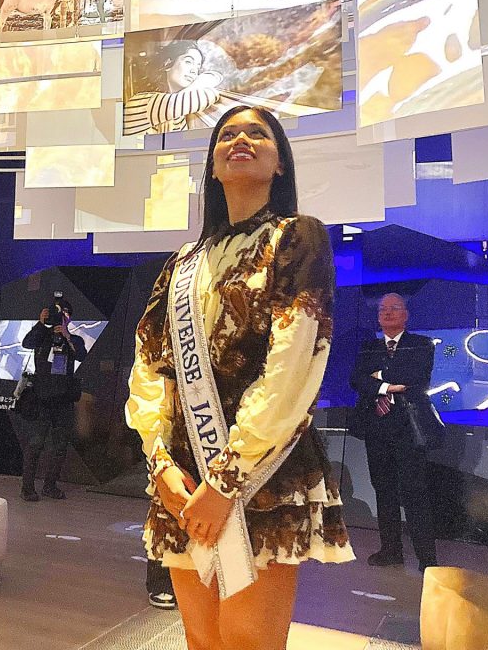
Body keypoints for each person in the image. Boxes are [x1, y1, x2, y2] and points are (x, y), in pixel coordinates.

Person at [127, 105, 353, 650]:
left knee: (248, 641)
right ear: (212, 165)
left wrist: (225, 481)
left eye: (258, 133)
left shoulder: (298, 238)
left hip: (260, 471)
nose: (241, 140)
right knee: (200, 639)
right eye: (227, 135)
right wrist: (160, 463)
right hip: (184, 476)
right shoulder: (182, 263)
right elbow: (150, 364)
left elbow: (292, 364)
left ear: (280, 163)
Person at [349, 293, 439, 572]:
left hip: (408, 430)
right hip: (376, 428)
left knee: (414, 493)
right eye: (383, 309)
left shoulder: (421, 344)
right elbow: (357, 380)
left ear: (405, 314)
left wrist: (377, 378)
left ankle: (427, 558)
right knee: (383, 491)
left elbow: (414, 379)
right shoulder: (369, 347)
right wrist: (387, 387)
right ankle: (391, 550)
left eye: (394, 308)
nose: (387, 313)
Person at [18, 298, 87, 501]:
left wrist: (66, 335)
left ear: (69, 318)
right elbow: (27, 343)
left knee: (60, 447)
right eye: (57, 313)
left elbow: (81, 355)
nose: (60, 317)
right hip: (42, 398)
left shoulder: (73, 339)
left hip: (64, 401)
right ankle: (27, 488)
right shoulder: (42, 336)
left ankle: (50, 486)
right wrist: (41, 324)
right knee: (35, 445)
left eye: (64, 314)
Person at [122, 40, 222, 141]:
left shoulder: (179, 114)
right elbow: (210, 94)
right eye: (188, 62)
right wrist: (199, 82)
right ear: (167, 64)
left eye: (198, 67)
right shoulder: (145, 103)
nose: (194, 71)